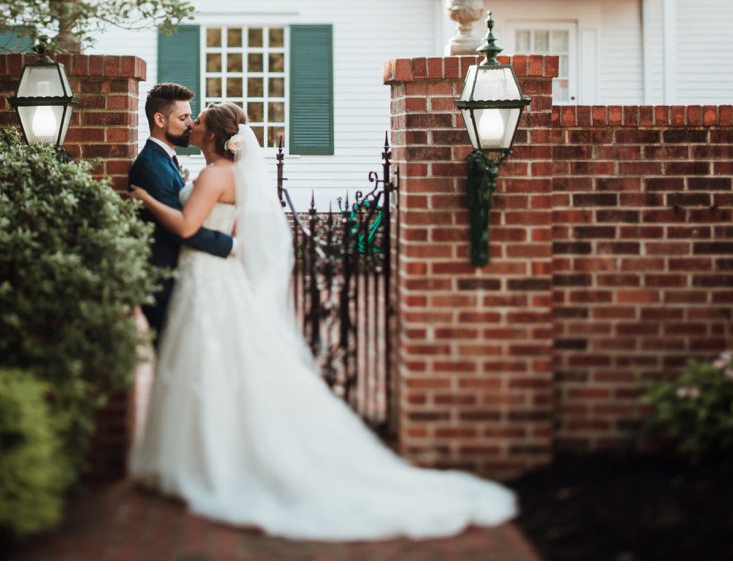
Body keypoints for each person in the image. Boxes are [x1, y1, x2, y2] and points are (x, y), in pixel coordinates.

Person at [127, 101, 517, 542]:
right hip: (217, 278)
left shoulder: (215, 175)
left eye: (197, 121)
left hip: (209, 282)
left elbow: (184, 227)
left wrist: (143, 199)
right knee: (222, 368)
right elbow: (233, 231)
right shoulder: (234, 176)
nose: (191, 124)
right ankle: (212, 455)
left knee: (209, 368)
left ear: (213, 137)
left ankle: (210, 461)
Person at [128, 83, 235, 351]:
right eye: (183, 118)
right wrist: (230, 245)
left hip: (184, 275)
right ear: (160, 120)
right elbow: (180, 227)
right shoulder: (151, 165)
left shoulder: (166, 160)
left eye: (191, 118)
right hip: (164, 279)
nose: (189, 124)